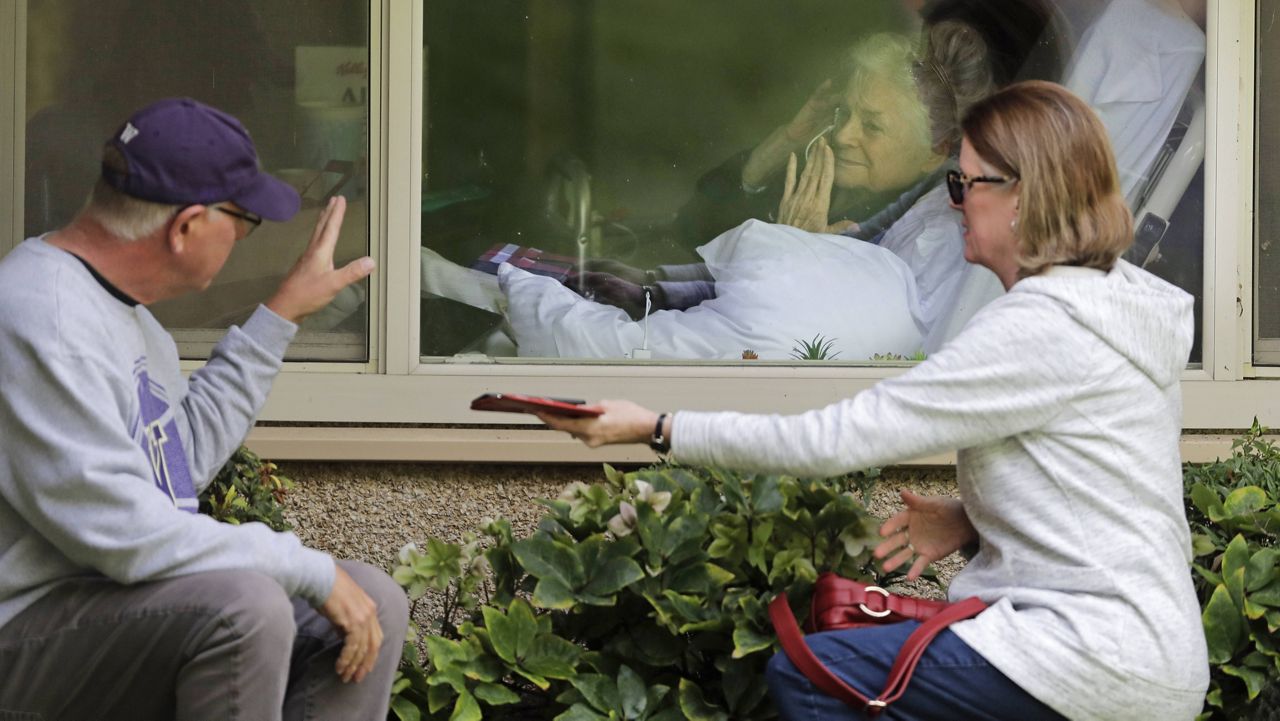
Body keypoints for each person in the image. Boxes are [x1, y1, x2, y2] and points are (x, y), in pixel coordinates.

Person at [536, 81, 1209, 720]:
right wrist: (972, 517)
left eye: (965, 183)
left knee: (812, 670)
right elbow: (1108, 483)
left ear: (1024, 198)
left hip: (1086, 656)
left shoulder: (1039, 326)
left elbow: (834, 440)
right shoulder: (1117, 308)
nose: (955, 202)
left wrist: (656, 425)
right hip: (1151, 653)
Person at [0, 98, 407, 720]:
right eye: (246, 222)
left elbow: (177, 469)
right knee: (244, 609)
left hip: (111, 606)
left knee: (371, 600)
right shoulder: (41, 318)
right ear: (187, 226)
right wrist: (306, 567)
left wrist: (280, 316)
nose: (247, 239)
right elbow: (128, 535)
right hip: (24, 628)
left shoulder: (125, 314)